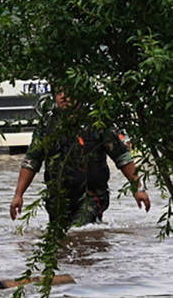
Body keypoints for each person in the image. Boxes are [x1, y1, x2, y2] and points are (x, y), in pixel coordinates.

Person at [10, 90, 150, 226]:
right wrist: (18, 195)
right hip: (58, 198)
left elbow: (122, 157)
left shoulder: (97, 122)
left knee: (81, 233)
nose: (64, 97)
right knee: (60, 240)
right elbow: (31, 161)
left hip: (92, 194)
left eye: (68, 92)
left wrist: (138, 189)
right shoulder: (48, 124)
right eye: (59, 93)